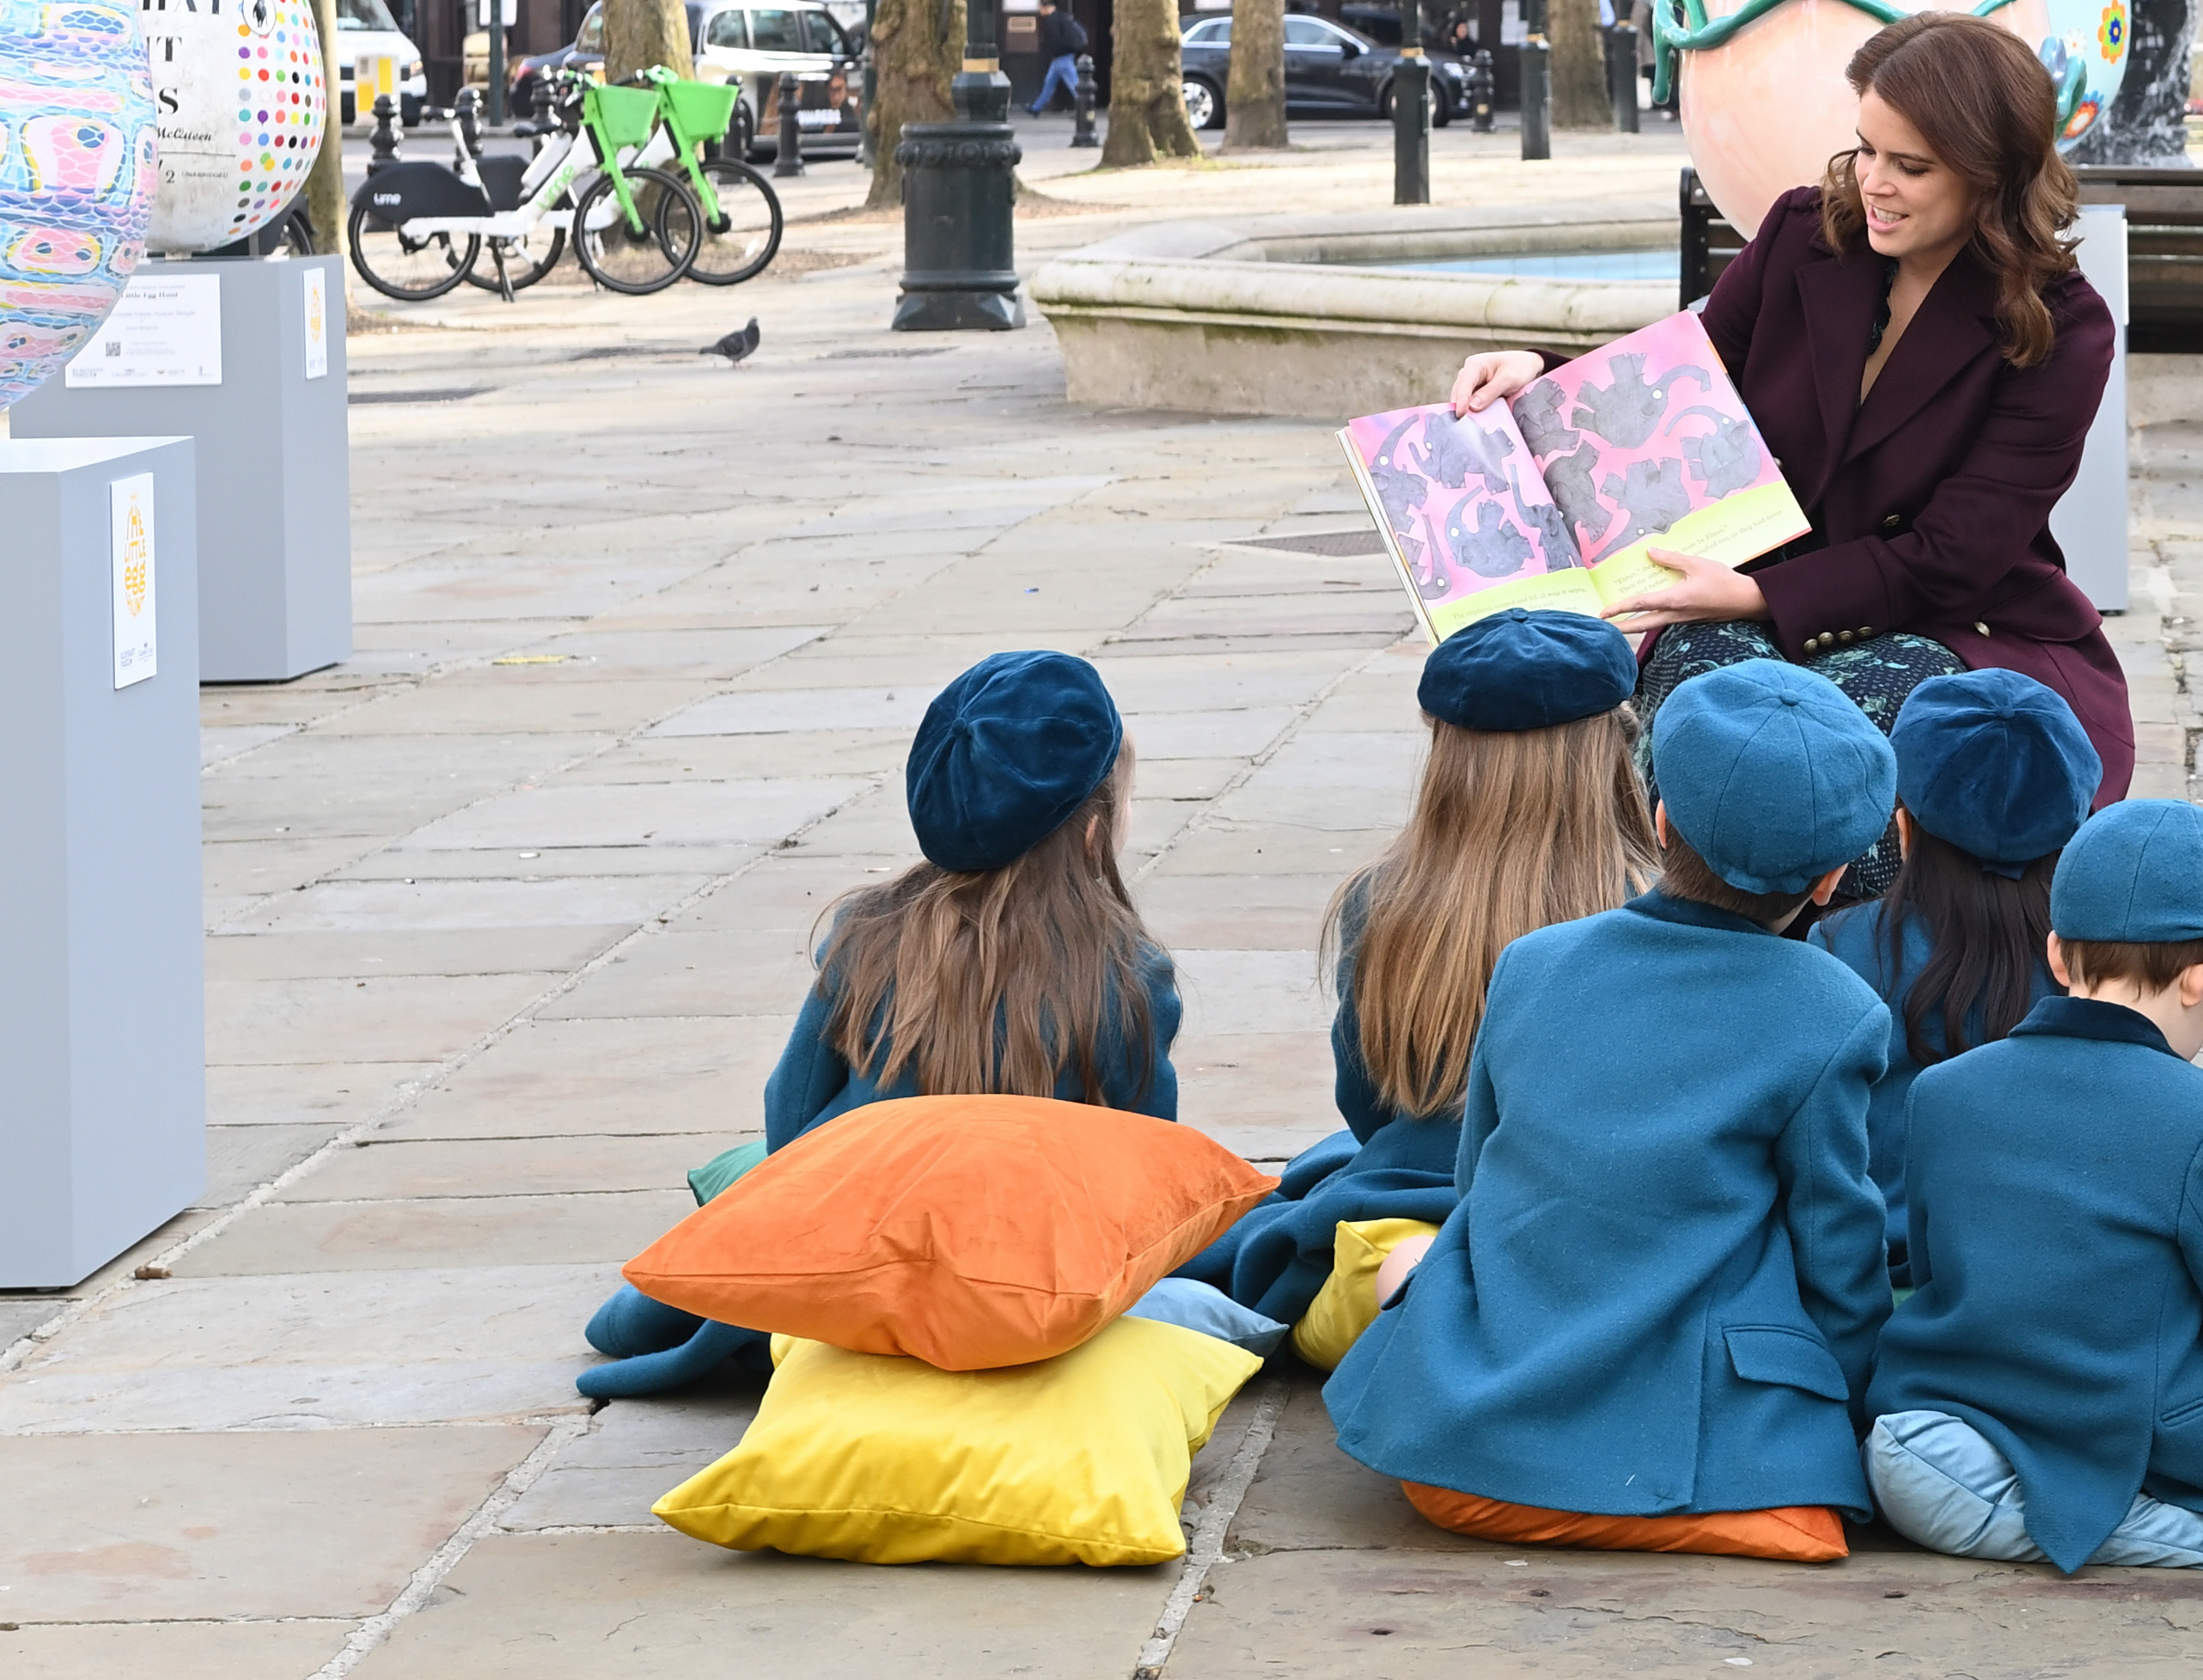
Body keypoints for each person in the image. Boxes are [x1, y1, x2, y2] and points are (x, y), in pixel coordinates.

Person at [1442, 8, 2133, 809]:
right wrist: (1541, 373)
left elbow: (1956, 553)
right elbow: (1683, 377)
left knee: (1850, 754)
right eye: (1867, 147)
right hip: (1750, 595)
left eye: (1910, 165)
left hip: (1955, 622)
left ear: (1990, 176)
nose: (1873, 181)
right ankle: (1672, 922)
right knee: (1691, 723)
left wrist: (1765, 596)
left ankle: (1829, 926)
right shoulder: (1805, 232)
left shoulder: (2062, 325)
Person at [1324, 663, 1895, 1560]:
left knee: (1403, 1257)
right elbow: (1837, 1248)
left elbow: (1478, 1189)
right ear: (1829, 879)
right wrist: (1854, 1399)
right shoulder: (1836, 1011)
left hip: (1457, 1456)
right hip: (1701, 1473)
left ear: (1661, 820)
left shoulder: (1532, 963)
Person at [575, 650, 1179, 1397]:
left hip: (853, 1249)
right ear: (1092, 831)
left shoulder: (868, 932)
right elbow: (1146, 1170)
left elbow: (789, 1120)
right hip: (1022, 1274)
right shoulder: (1129, 974)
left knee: (744, 1175)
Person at [1864, 799, 2203, 1580]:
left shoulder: (1942, 1091)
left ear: (2059, 954)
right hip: (2114, 1429)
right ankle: (2147, 1524)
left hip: (1937, 1409)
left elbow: (1941, 1274)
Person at [1182, 611, 1651, 1327]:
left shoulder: (1382, 896)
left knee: (1324, 1176)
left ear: (1444, 751)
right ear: (1611, 748)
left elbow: (1365, 1103)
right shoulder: (1646, 902)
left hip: (1407, 1196)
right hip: (1588, 1218)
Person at [1813, 669, 2102, 1272]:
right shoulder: (2102, 960)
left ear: (1903, 829)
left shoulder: (1840, 947)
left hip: (1886, 1278)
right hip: (2058, 1280)